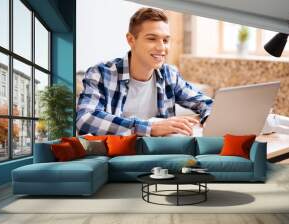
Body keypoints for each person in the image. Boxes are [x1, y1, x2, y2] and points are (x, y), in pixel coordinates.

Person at [76, 8, 213, 137]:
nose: (161, 47)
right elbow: (85, 119)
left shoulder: (169, 75)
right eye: (152, 39)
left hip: (159, 155)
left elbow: (207, 104)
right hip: (117, 157)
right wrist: (150, 128)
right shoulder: (101, 73)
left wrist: (207, 118)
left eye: (165, 40)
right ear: (131, 40)